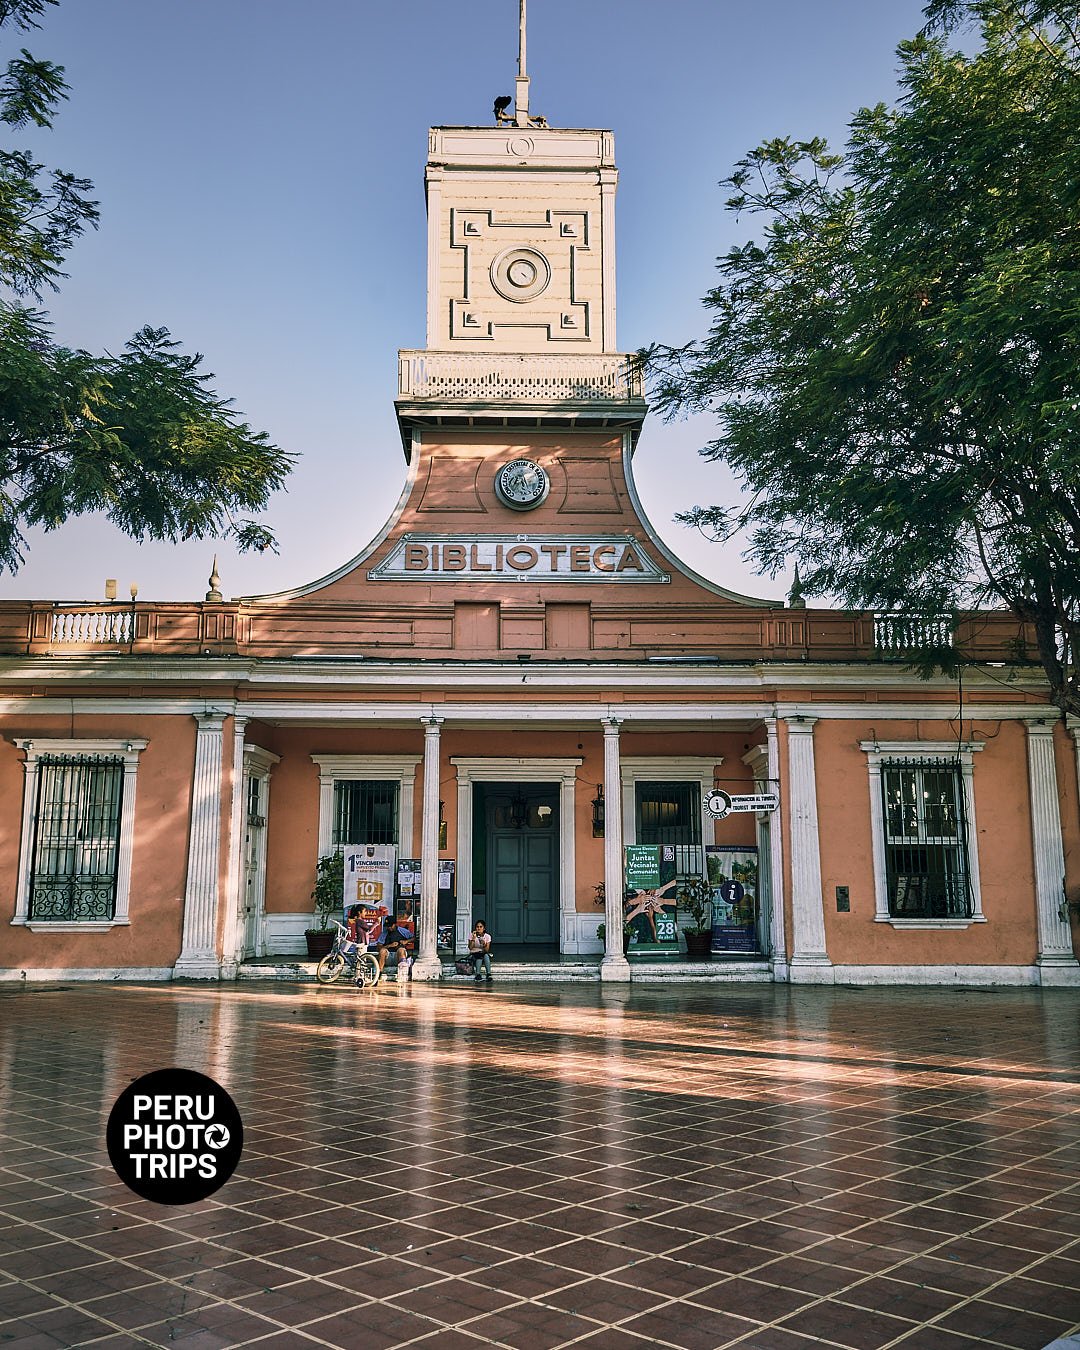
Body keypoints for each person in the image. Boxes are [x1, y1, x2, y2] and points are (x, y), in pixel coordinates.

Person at [376, 911, 414, 978]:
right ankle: (379, 973)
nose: (389, 928)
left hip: (398, 956)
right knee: (382, 951)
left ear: (394, 924)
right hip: (388, 956)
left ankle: (402, 974)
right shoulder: (384, 933)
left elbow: (414, 938)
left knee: (401, 950)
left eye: (390, 926)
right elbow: (378, 946)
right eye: (387, 926)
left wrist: (406, 941)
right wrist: (390, 945)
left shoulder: (402, 931)